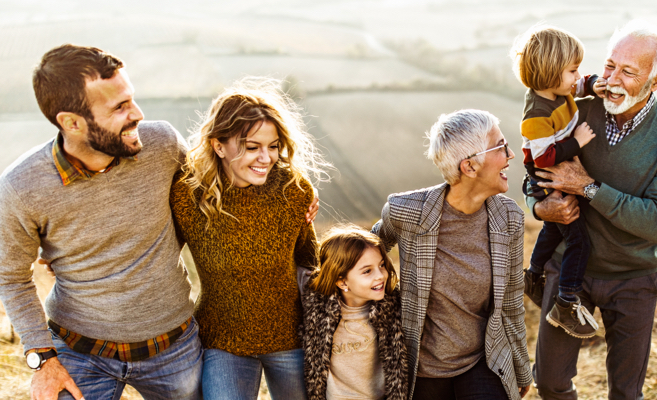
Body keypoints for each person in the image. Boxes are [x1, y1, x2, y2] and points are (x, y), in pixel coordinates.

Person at [0, 44, 201, 400]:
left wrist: (292, 195)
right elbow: (11, 276)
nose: (137, 114)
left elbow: (209, 205)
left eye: (132, 98)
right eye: (120, 107)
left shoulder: (163, 144)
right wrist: (44, 361)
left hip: (174, 346)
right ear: (71, 122)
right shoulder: (21, 187)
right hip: (79, 352)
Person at [527, 20, 657, 400]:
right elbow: (535, 171)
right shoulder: (576, 111)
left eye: (628, 71)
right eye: (609, 65)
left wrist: (588, 188)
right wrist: (541, 208)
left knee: (626, 392)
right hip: (569, 268)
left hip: (633, 277)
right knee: (551, 383)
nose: (612, 78)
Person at [169, 77, 329, 400]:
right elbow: (157, 251)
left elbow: (310, 262)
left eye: (272, 147)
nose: (266, 158)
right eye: (252, 147)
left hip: (290, 338)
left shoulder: (293, 190)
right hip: (223, 341)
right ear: (218, 145)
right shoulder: (188, 196)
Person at [372, 109, 533, 400]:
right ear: (469, 167)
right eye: (500, 146)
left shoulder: (508, 218)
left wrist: (521, 369)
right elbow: (366, 249)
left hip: (482, 360)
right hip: (420, 366)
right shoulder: (407, 211)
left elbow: (511, 303)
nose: (511, 154)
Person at [510, 24, 601, 338]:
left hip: (556, 172)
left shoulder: (557, 90)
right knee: (578, 241)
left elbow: (576, 89)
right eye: (573, 70)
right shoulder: (536, 113)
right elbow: (543, 158)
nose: (577, 77)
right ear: (550, 73)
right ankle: (566, 302)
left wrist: (592, 84)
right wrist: (577, 142)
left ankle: (533, 276)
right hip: (547, 177)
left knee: (552, 229)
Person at [301, 225, 407, 400]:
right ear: (342, 282)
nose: (380, 275)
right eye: (367, 271)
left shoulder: (393, 309)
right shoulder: (318, 312)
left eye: (381, 265)